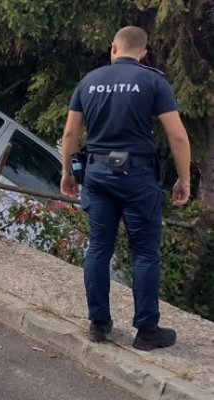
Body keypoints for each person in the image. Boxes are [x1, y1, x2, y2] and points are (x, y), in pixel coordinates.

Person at [61, 26, 191, 351]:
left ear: (113, 48)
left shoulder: (88, 82)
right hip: (137, 176)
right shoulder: (154, 81)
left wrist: (67, 172)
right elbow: (177, 136)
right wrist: (184, 178)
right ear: (144, 52)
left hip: (98, 174)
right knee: (145, 253)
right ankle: (147, 331)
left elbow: (70, 135)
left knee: (99, 247)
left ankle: (99, 324)